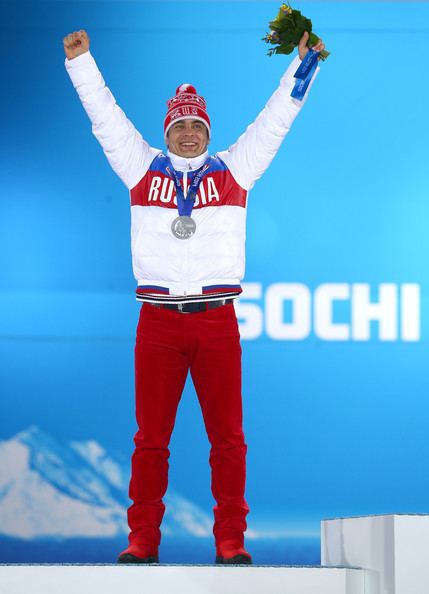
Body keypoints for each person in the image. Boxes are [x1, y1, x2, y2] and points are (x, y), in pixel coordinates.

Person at [63, 28, 324, 565]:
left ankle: (231, 541)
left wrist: (303, 66)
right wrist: (81, 63)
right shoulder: (141, 169)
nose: (187, 133)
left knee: (228, 440)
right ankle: (143, 541)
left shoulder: (235, 169)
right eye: (179, 125)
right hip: (157, 324)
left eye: (196, 125)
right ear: (167, 131)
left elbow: (277, 119)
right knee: (150, 440)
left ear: (209, 131)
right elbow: (105, 119)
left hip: (217, 322)